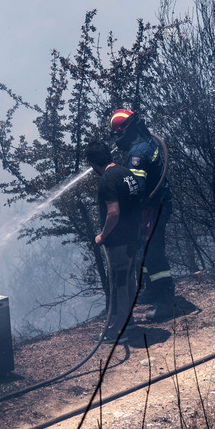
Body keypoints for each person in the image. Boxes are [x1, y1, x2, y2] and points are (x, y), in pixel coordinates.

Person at [109, 109, 176, 322]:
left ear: (127, 132)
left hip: (152, 208)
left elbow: (137, 188)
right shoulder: (148, 142)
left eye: (119, 136)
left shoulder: (137, 153)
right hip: (159, 204)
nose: (119, 141)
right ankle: (153, 289)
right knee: (146, 251)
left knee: (153, 251)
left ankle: (165, 299)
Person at [86, 140, 144, 343]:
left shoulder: (107, 180)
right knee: (128, 281)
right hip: (132, 238)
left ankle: (120, 330)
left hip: (118, 241)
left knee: (119, 284)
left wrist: (102, 235)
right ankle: (130, 321)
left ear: (93, 163)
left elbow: (113, 213)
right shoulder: (126, 173)